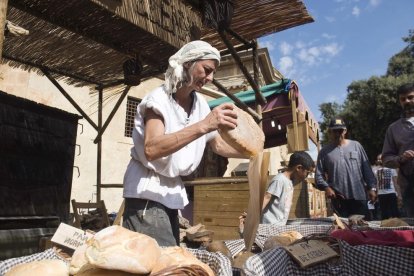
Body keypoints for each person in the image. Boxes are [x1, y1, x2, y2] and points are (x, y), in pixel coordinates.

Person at [122, 40, 247, 246]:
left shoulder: (200, 105)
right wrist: (204, 125)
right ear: (187, 63)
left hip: (171, 193)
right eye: (206, 70)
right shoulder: (158, 99)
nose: (210, 78)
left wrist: (252, 153)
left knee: (169, 257)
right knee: (159, 262)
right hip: (148, 192)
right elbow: (152, 149)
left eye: (213, 72)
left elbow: (217, 145)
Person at [315, 117, 377, 219]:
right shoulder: (324, 152)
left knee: (364, 229)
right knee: (343, 230)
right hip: (339, 199)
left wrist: (372, 188)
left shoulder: (356, 146)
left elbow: (367, 169)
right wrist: (327, 188)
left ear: (345, 131)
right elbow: (318, 176)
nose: (337, 133)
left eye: (340, 130)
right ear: (329, 132)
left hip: (359, 197)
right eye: (334, 131)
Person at [382, 83, 414, 217]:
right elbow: (386, 158)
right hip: (409, 187)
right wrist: (401, 159)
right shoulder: (393, 129)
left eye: (410, 97)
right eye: (403, 99)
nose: (407, 101)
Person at [261, 151, 315, 225]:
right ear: (299, 168)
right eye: (308, 172)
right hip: (270, 225)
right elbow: (267, 197)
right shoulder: (279, 180)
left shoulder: (289, 181)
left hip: (279, 225)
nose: (307, 175)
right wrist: (251, 216)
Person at [371, 154, 400, 219]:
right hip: (381, 194)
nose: (379, 160)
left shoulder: (391, 168)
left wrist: (398, 193)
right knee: (384, 212)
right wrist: (374, 192)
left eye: (380, 159)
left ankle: (396, 227)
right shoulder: (374, 169)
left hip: (391, 192)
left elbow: (395, 182)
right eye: (378, 159)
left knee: (394, 212)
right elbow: (374, 182)